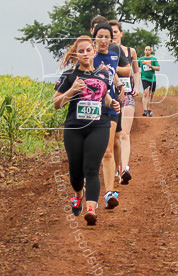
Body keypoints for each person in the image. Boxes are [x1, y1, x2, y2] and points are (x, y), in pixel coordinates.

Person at [52, 36, 120, 225]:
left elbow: (104, 97)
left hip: (99, 126)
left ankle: (91, 210)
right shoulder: (69, 76)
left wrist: (112, 103)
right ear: (76, 54)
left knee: (91, 168)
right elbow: (57, 103)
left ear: (94, 52)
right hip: (74, 127)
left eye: (88, 50)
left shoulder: (103, 75)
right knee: (75, 171)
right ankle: (78, 194)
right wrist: (72, 90)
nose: (85, 54)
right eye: (81, 51)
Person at [92, 23, 123, 210]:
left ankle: (109, 193)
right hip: (92, 107)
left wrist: (119, 85)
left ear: (111, 39)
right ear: (94, 37)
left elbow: (112, 75)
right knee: (92, 151)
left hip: (111, 107)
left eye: (107, 37)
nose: (103, 40)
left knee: (108, 151)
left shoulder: (113, 55)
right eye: (100, 36)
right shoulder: (89, 56)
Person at [110, 21, 141, 185]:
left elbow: (135, 71)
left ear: (121, 33)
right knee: (113, 137)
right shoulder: (104, 53)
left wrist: (137, 86)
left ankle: (124, 169)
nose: (113, 34)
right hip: (110, 96)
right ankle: (115, 167)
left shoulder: (130, 51)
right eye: (111, 32)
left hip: (127, 93)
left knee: (124, 133)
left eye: (116, 31)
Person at [137, 46, 160, 117]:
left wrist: (151, 66)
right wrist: (138, 73)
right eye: (146, 50)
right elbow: (135, 67)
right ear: (144, 51)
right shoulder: (140, 59)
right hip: (144, 78)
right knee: (145, 92)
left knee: (151, 95)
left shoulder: (153, 59)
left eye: (149, 50)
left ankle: (149, 109)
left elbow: (158, 68)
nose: (147, 51)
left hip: (152, 79)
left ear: (150, 51)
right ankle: (144, 110)